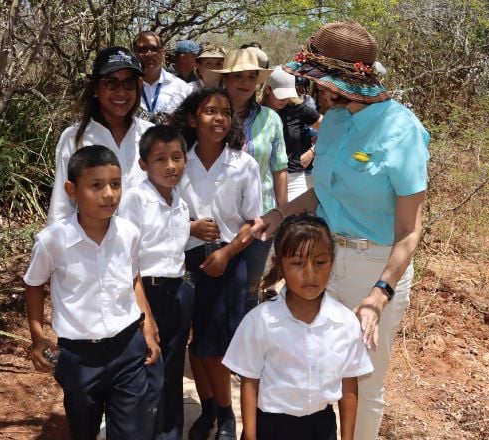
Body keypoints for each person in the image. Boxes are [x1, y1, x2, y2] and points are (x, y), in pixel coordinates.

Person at [248, 22, 430, 440]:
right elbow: (320, 194)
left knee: (363, 385)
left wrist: (378, 295)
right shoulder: (331, 122)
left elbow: (409, 231)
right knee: (310, 365)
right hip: (324, 261)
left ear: (339, 83)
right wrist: (278, 215)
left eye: (314, 81)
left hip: (375, 267)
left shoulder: (402, 131)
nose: (310, 90)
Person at [23, 145, 161, 439]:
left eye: (115, 184)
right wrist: (37, 337)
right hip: (78, 357)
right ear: (72, 189)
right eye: (96, 185)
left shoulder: (129, 233)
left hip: (127, 348)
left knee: (133, 432)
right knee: (83, 429)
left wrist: (146, 324)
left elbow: (133, 278)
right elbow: (34, 284)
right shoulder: (52, 241)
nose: (109, 194)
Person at [223, 214, 373, 440]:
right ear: (280, 266)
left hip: (321, 427)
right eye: (297, 263)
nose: (310, 273)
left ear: (332, 262)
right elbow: (250, 381)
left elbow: (349, 384)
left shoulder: (345, 323)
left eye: (320, 262)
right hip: (272, 427)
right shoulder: (260, 321)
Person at [171, 87, 262, 440]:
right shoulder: (178, 162)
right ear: (193, 118)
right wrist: (190, 227)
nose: (219, 118)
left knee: (217, 344)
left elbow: (252, 222)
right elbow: (161, 211)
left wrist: (225, 254)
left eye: (225, 112)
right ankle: (209, 408)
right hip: (184, 260)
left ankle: (225, 416)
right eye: (210, 111)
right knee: (195, 342)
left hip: (228, 260)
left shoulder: (243, 164)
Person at [118, 125, 193, 440]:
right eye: (160, 159)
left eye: (176, 157)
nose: (170, 166)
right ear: (143, 164)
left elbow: (178, 255)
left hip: (177, 290)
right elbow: (125, 258)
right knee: (147, 368)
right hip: (144, 291)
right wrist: (143, 312)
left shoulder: (181, 203)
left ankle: (169, 433)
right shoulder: (135, 199)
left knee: (173, 370)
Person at [204, 49, 287, 311]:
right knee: (213, 292)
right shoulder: (208, 117)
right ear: (224, 79)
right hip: (215, 218)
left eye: (251, 77)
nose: (245, 82)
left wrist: (280, 212)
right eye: (237, 76)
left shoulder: (271, 119)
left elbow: (279, 168)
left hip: (258, 220)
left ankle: (246, 347)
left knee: (249, 293)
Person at [48, 46, 151, 224]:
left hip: (148, 248)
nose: (121, 92)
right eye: (111, 83)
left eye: (129, 83)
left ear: (138, 86)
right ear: (95, 87)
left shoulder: (150, 135)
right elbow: (61, 208)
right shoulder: (75, 138)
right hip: (95, 249)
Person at [261, 66, 323, 200]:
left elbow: (332, 129)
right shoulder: (256, 111)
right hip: (263, 181)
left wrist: (313, 151)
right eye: (280, 94)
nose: (284, 99)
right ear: (267, 89)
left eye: (288, 94)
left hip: (294, 180)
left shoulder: (297, 109)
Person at [132, 31, 193, 122]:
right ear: (134, 53)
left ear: (162, 53)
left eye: (154, 49)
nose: (149, 54)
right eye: (143, 50)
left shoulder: (181, 87)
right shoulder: (125, 86)